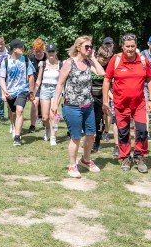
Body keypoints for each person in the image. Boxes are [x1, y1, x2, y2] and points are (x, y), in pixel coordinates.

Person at [55, 35, 106, 177]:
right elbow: (60, 83)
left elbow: (102, 73)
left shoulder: (89, 63)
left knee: (91, 134)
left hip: (88, 105)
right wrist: (55, 102)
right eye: (87, 47)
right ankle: (72, 166)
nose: (89, 49)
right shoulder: (69, 63)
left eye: (91, 47)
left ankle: (86, 159)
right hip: (72, 106)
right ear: (78, 48)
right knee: (76, 137)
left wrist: (94, 58)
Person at [103, 33, 151, 173]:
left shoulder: (143, 60)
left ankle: (139, 156)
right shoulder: (116, 59)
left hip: (139, 103)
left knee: (142, 130)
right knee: (123, 132)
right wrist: (105, 101)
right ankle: (125, 157)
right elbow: (107, 80)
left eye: (132, 46)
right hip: (121, 103)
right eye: (127, 46)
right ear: (122, 46)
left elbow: (150, 79)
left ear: (136, 46)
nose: (130, 49)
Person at [0, 39, 36, 147]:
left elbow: (31, 76)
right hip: (10, 92)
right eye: (21, 47)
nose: (23, 49)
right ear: (14, 49)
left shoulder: (26, 60)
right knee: (13, 112)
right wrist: (4, 91)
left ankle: (17, 137)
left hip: (22, 90)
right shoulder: (5, 62)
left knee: (19, 111)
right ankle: (13, 126)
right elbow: (2, 78)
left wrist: (31, 91)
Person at [35, 43, 63, 145]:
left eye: (53, 51)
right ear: (46, 52)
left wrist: (62, 93)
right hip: (44, 89)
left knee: (53, 115)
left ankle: (53, 137)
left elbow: (62, 81)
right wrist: (33, 93)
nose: (51, 53)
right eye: (49, 51)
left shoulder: (60, 64)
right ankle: (47, 128)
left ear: (56, 52)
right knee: (45, 117)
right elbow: (38, 80)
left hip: (56, 90)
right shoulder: (43, 64)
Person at [92, 37, 115, 149]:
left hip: (101, 96)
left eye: (107, 59)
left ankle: (97, 141)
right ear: (98, 56)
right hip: (89, 95)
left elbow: (108, 85)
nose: (104, 61)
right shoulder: (91, 63)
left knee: (99, 120)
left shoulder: (109, 67)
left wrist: (111, 96)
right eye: (102, 59)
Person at [26, 39, 48, 131]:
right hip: (35, 84)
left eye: (39, 51)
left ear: (43, 49)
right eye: (36, 51)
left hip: (47, 84)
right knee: (35, 103)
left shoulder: (48, 58)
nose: (38, 53)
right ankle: (32, 125)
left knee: (45, 104)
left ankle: (45, 121)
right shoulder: (30, 58)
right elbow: (27, 73)